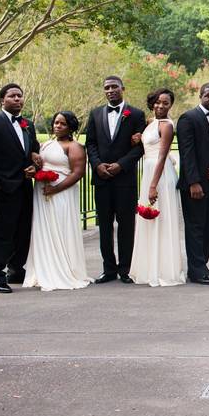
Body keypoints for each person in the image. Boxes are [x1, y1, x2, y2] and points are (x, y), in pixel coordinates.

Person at [0, 83, 41, 293]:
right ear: (2, 99)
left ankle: (16, 270)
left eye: (20, 96)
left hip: (24, 188)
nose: (17, 99)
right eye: (12, 96)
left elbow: (33, 152)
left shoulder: (28, 125)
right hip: (1, 190)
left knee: (22, 232)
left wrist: (34, 165)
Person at [84, 75, 146, 284]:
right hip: (102, 179)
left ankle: (125, 269)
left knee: (127, 225)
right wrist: (97, 164)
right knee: (104, 225)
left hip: (125, 179)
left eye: (114, 87)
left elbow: (140, 147)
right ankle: (108, 269)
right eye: (107, 88)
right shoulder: (95, 114)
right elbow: (90, 143)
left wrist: (121, 165)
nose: (110, 91)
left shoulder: (136, 114)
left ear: (122, 88)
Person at [24, 111, 91, 291]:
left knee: (60, 229)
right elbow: (40, 164)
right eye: (55, 122)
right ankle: (43, 269)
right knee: (42, 230)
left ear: (70, 126)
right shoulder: (45, 145)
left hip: (62, 193)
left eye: (62, 123)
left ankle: (64, 270)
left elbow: (78, 173)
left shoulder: (74, 146)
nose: (57, 126)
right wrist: (34, 168)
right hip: (41, 192)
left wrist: (55, 189)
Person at [130, 88, 186, 287]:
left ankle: (164, 269)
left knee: (162, 219)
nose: (161, 106)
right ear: (152, 103)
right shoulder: (152, 123)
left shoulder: (167, 126)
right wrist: (139, 137)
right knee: (150, 220)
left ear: (171, 105)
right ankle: (149, 266)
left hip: (160, 174)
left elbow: (162, 155)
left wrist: (153, 185)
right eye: (157, 102)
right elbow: (148, 141)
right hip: (150, 170)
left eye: (165, 103)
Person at [176, 82, 209, 285]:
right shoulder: (188, 118)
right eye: (208, 95)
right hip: (194, 184)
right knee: (195, 226)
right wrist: (194, 182)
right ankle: (197, 271)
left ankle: (202, 266)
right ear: (200, 96)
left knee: (208, 226)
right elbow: (186, 154)